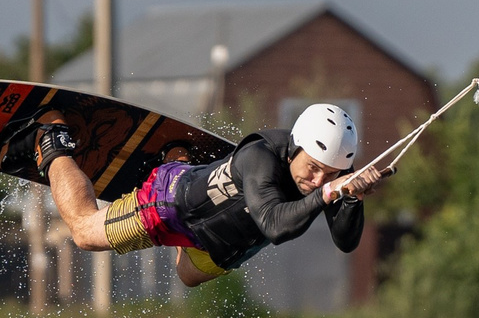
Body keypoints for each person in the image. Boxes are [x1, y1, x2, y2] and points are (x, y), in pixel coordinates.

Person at [36, 102, 391, 287]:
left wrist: (353, 198)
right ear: (294, 147)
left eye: (329, 174)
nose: (316, 180)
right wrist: (332, 192)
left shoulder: (328, 177)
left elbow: (345, 242)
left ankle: (179, 157)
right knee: (83, 233)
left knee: (187, 276)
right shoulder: (260, 156)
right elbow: (275, 226)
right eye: (312, 168)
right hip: (171, 206)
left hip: (224, 244)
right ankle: (52, 139)